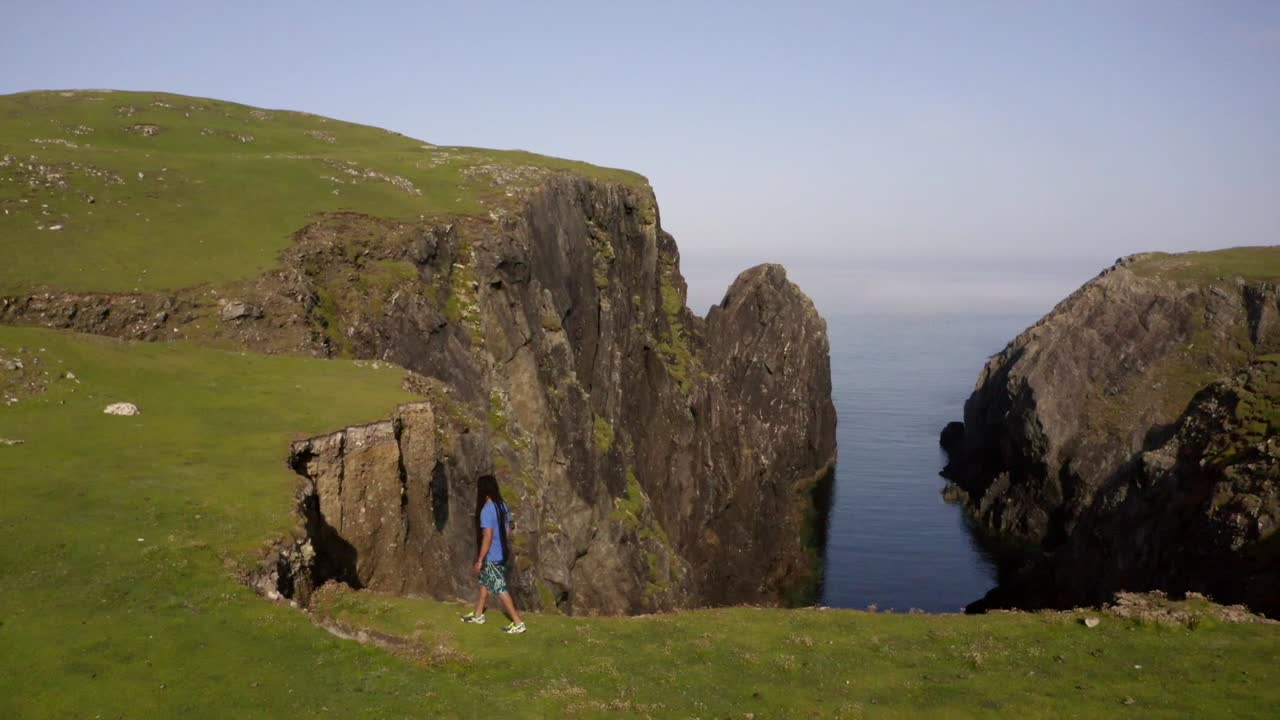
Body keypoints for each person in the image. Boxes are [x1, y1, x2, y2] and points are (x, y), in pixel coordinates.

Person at [460, 475, 526, 634]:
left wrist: (481, 559)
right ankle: (478, 615)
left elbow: (487, 537)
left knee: (499, 588)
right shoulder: (503, 506)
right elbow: (508, 529)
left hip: (492, 556)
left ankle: (518, 623)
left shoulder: (487, 510)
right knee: (484, 583)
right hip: (502, 552)